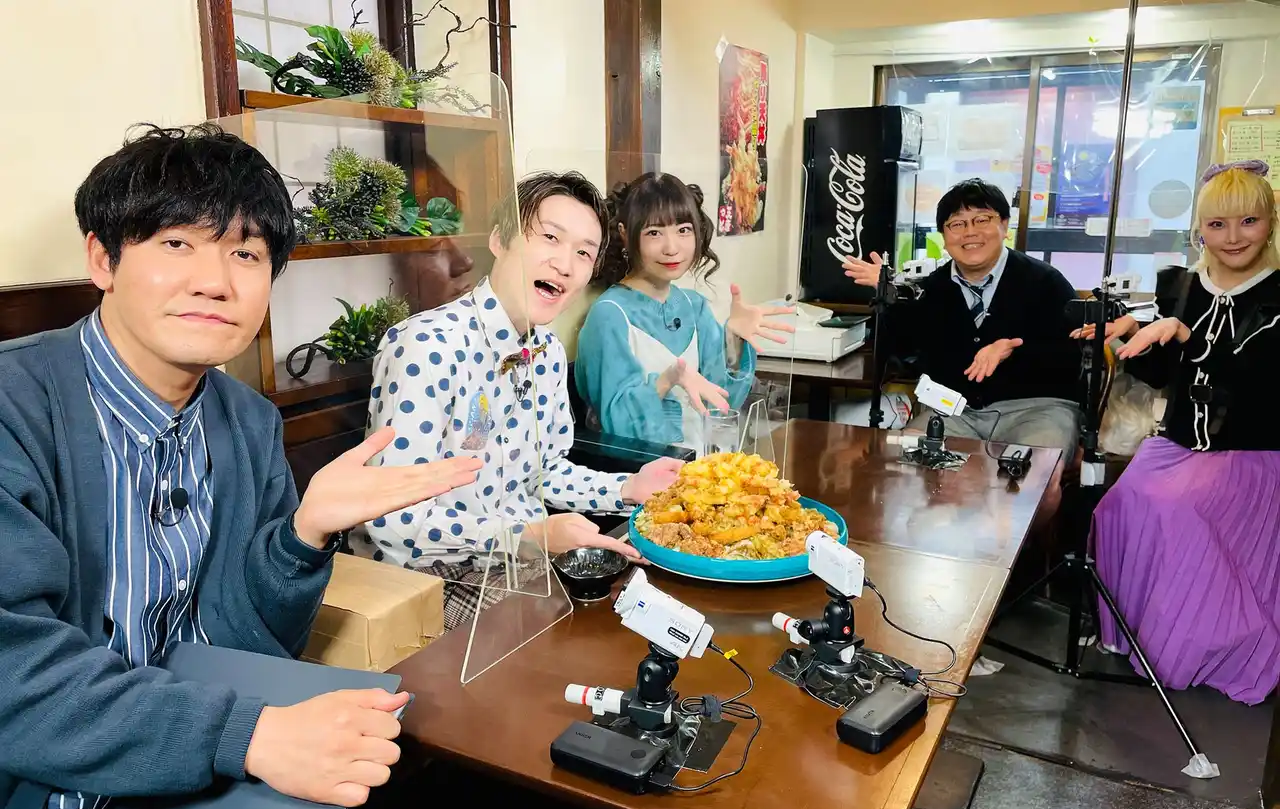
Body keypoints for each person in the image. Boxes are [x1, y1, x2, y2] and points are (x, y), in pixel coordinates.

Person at [0, 123, 602, 809]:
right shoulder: (17, 407)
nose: (215, 281)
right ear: (103, 258)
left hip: (211, 774)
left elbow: (256, 636)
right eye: (177, 243)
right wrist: (250, 734)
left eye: (246, 253)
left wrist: (302, 536)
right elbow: (16, 677)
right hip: (55, 799)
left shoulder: (245, 420)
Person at [352, 171, 685, 629]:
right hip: (429, 575)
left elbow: (545, 473)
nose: (565, 264)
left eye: (584, 252)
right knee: (576, 638)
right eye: (550, 237)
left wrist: (627, 488)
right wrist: (531, 536)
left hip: (519, 560)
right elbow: (393, 520)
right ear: (499, 240)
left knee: (646, 604)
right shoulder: (426, 346)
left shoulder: (546, 352)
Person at [1082, 160, 1280, 704]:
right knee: (1116, 507)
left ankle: (1204, 648)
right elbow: (1160, 375)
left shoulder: (1277, 295)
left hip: (1252, 449)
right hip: (1177, 445)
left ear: (1271, 222)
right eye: (1217, 224)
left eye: (1248, 221)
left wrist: (1185, 335)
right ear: (1199, 231)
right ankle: (1137, 636)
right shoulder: (1182, 284)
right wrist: (1127, 337)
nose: (1233, 237)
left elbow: (1256, 379)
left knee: (1179, 510)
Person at [843, 178, 1081, 517]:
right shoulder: (932, 288)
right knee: (908, 468)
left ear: (1004, 225)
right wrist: (891, 296)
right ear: (944, 235)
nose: (970, 232)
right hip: (957, 412)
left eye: (982, 219)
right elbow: (906, 350)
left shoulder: (1046, 282)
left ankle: (1020, 551)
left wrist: (1014, 349)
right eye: (957, 224)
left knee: (1034, 484)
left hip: (1036, 409)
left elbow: (1073, 356)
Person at [574, 172, 794, 450]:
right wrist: (667, 381)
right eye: (654, 233)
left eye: (683, 230)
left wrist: (734, 339)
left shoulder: (694, 306)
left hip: (703, 467)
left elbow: (723, 403)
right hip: (644, 471)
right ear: (625, 234)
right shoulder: (610, 316)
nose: (672, 248)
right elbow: (617, 425)